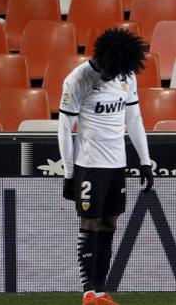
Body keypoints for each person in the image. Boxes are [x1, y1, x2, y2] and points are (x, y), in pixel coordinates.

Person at [58, 28, 154, 305]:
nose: (113, 76)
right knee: (90, 222)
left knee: (110, 224)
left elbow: (134, 120)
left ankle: (101, 290)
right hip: (89, 164)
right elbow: (65, 129)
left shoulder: (126, 74)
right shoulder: (78, 80)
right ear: (102, 59)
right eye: (110, 70)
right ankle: (88, 290)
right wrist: (68, 173)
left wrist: (144, 162)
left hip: (117, 164)